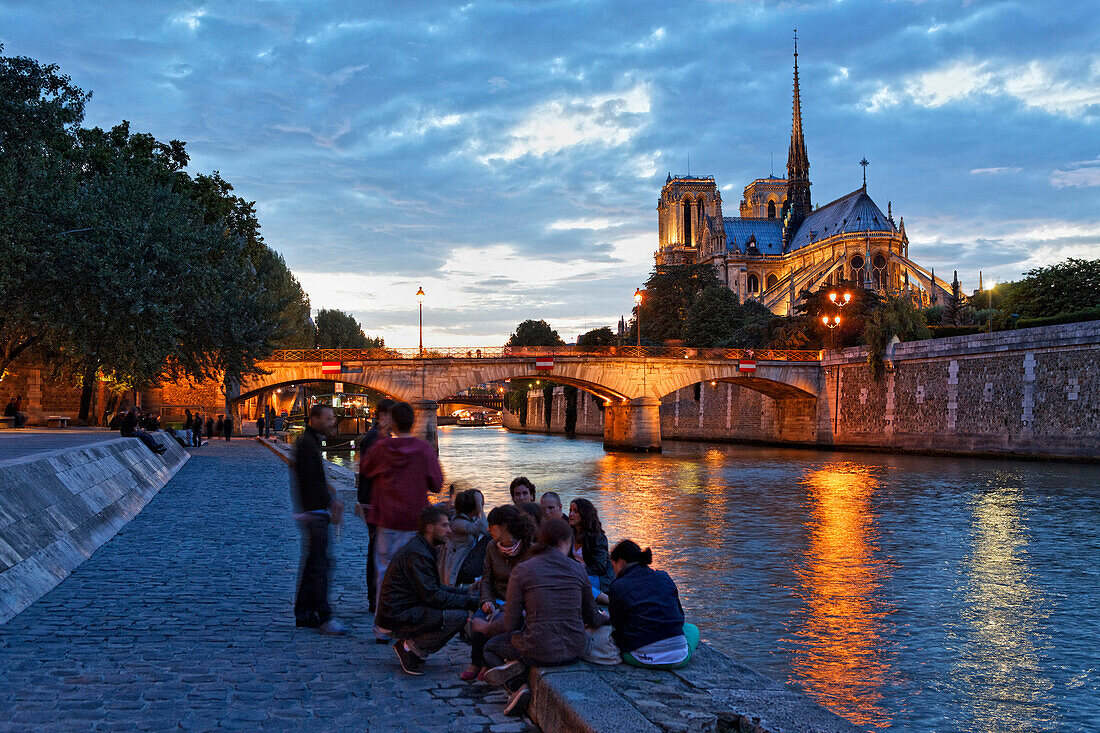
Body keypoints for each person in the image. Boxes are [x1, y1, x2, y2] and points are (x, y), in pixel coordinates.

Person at [473, 518, 608, 717]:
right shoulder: (578, 569)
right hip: (575, 649)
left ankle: (516, 686)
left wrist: (485, 628)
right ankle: (517, 671)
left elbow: (509, 623)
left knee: (490, 648)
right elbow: (593, 618)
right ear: (565, 542)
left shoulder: (523, 570)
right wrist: (608, 616)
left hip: (538, 650)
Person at [360, 401, 444, 638]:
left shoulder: (380, 448)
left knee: (385, 572)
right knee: (416, 574)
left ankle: (383, 626)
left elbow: (365, 469)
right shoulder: (423, 449)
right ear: (413, 422)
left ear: (393, 423)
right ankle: (411, 622)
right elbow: (437, 484)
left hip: (387, 520)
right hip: (416, 522)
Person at [377, 506, 480, 676]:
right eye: (444, 525)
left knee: (458, 607)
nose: (449, 530)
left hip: (404, 609)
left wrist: (467, 592)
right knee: (459, 617)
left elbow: (435, 588)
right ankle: (411, 649)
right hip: (397, 615)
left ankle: (410, 645)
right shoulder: (418, 554)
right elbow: (433, 596)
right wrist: (470, 601)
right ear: (430, 528)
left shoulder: (422, 548)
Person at [290, 403, 345, 635]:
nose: (332, 422)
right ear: (314, 418)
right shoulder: (307, 444)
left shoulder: (309, 442)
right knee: (320, 565)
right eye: (328, 418)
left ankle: (304, 613)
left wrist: (330, 493)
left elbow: (315, 479)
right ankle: (323, 616)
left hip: (312, 511)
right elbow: (311, 482)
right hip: (315, 513)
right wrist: (329, 502)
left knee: (313, 564)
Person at [467, 505, 535, 681]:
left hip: (518, 604)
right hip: (497, 598)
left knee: (502, 623)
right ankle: (476, 662)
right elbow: (487, 578)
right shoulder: (491, 547)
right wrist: (487, 600)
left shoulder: (529, 549)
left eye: (491, 525)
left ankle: (487, 664)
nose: (488, 529)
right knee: (479, 619)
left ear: (504, 526)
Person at [608, 540, 699, 669]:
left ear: (621, 562)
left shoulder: (618, 586)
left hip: (640, 658)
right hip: (678, 658)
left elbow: (617, 624)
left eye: (613, 567)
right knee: (692, 629)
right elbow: (680, 616)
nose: (614, 573)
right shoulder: (664, 577)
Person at [357, 398, 396, 615]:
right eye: (391, 416)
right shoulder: (375, 439)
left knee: (379, 547)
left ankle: (378, 595)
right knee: (377, 548)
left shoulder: (381, 437)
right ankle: (374, 598)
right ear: (382, 416)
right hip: (374, 501)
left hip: (375, 500)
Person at [438, 488, 487, 586]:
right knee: (488, 538)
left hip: (463, 566)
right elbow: (486, 529)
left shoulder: (468, 520)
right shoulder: (459, 524)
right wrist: (479, 506)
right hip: (457, 570)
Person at [568, 498, 615, 595]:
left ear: (584, 515)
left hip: (598, 578)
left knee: (573, 582)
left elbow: (600, 566)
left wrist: (578, 570)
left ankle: (607, 601)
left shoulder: (597, 537)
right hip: (578, 574)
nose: (571, 514)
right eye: (570, 510)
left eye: (575, 511)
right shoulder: (570, 533)